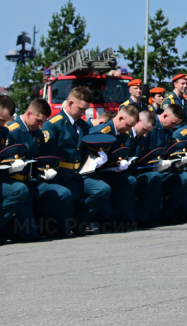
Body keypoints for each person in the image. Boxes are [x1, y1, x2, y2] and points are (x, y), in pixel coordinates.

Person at [40, 86, 112, 235]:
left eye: (85, 109)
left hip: (79, 174)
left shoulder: (83, 125)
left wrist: (96, 158)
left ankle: (79, 220)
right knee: (63, 230)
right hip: (60, 175)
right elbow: (48, 156)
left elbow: (85, 149)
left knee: (102, 190)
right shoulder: (53, 125)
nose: (83, 113)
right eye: (81, 109)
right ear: (71, 103)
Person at [3, 98, 72, 240]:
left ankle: (35, 221)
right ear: (29, 113)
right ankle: (9, 227)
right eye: (38, 121)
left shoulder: (38, 134)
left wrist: (45, 170)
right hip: (13, 182)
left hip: (32, 182)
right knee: (29, 235)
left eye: (43, 122)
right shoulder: (12, 131)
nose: (40, 125)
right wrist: (10, 168)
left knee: (63, 194)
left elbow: (38, 158)